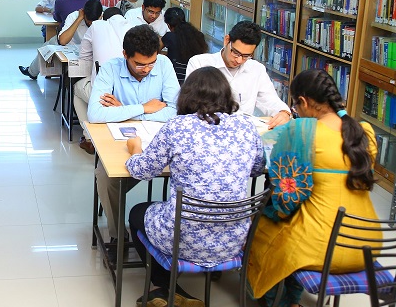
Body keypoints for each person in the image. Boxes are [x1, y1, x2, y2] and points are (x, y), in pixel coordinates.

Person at [127, 66, 265, 307]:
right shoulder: (247, 127)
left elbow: (142, 171)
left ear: (187, 96)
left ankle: (164, 287)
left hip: (181, 240)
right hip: (233, 241)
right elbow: (257, 168)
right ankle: (171, 290)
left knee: (137, 212)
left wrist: (135, 149)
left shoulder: (176, 127)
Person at [247, 69, 380, 307]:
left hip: (322, 248)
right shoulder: (365, 132)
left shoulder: (301, 131)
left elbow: (288, 197)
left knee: (262, 226)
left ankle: (280, 302)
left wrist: (275, 212)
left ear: (304, 102)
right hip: (368, 244)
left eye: (295, 106)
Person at [87, 25, 179, 251]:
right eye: (139, 64)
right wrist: (145, 108)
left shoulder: (164, 64)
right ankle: (118, 236)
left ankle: (172, 236)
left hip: (158, 143)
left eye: (151, 63)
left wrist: (125, 111)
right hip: (122, 143)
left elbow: (176, 111)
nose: (146, 69)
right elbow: (95, 114)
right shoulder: (110, 68)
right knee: (105, 177)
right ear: (125, 54)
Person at [186, 20, 290, 129]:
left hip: (242, 132)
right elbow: (192, 104)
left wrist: (283, 112)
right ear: (227, 40)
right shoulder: (200, 63)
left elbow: (270, 100)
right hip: (208, 129)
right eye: (235, 53)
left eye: (246, 56)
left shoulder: (256, 69)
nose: (239, 60)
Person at [74, 7, 133, 153]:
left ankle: (89, 138)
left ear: (103, 18)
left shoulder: (97, 26)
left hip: (105, 96)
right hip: (131, 96)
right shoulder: (134, 26)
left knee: (78, 89)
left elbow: (84, 58)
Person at [18, 0, 103, 80]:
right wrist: (79, 19)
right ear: (83, 13)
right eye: (88, 21)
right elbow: (62, 41)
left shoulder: (104, 19)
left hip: (90, 50)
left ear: (100, 15)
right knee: (46, 48)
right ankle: (32, 72)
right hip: (71, 45)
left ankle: (31, 71)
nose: (90, 23)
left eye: (93, 21)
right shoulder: (74, 16)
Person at [161, 7, 208, 84]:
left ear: (168, 25)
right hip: (194, 78)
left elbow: (154, 51)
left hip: (174, 79)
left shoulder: (170, 36)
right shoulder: (199, 35)